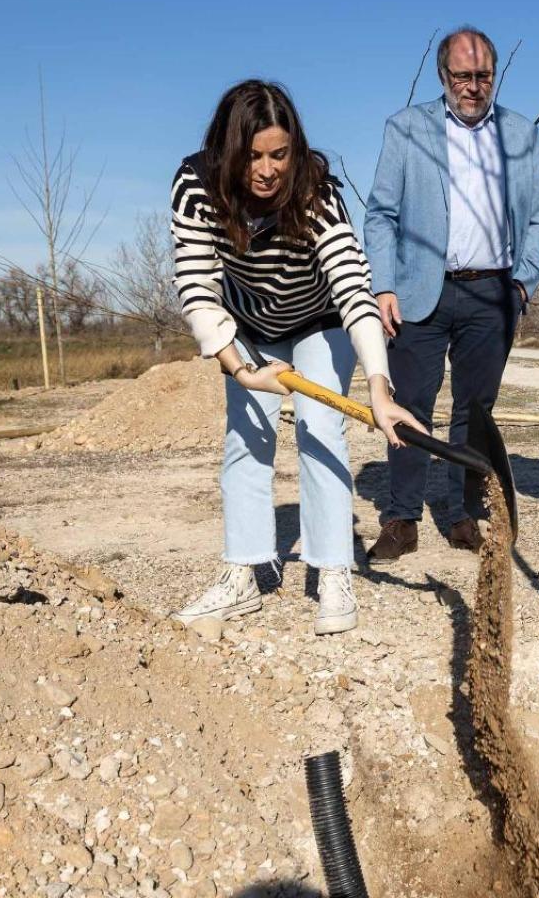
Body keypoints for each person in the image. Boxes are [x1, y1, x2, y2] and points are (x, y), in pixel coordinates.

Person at [169, 79, 420, 634]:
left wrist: (379, 387)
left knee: (319, 428)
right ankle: (245, 572)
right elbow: (196, 285)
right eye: (252, 156)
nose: (266, 170)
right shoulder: (196, 185)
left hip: (318, 321)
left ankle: (331, 569)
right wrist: (242, 370)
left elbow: (353, 288)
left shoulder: (315, 190)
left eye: (278, 154)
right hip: (247, 328)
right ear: (228, 152)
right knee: (247, 436)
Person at [363, 26, 539, 562]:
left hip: (492, 293)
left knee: (475, 409)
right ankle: (401, 518)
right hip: (419, 293)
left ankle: (460, 513)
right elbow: (380, 214)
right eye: (463, 76)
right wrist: (381, 286)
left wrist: (521, 284)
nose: (474, 86)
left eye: (483, 75)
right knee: (409, 406)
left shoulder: (521, 134)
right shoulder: (406, 129)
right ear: (444, 76)